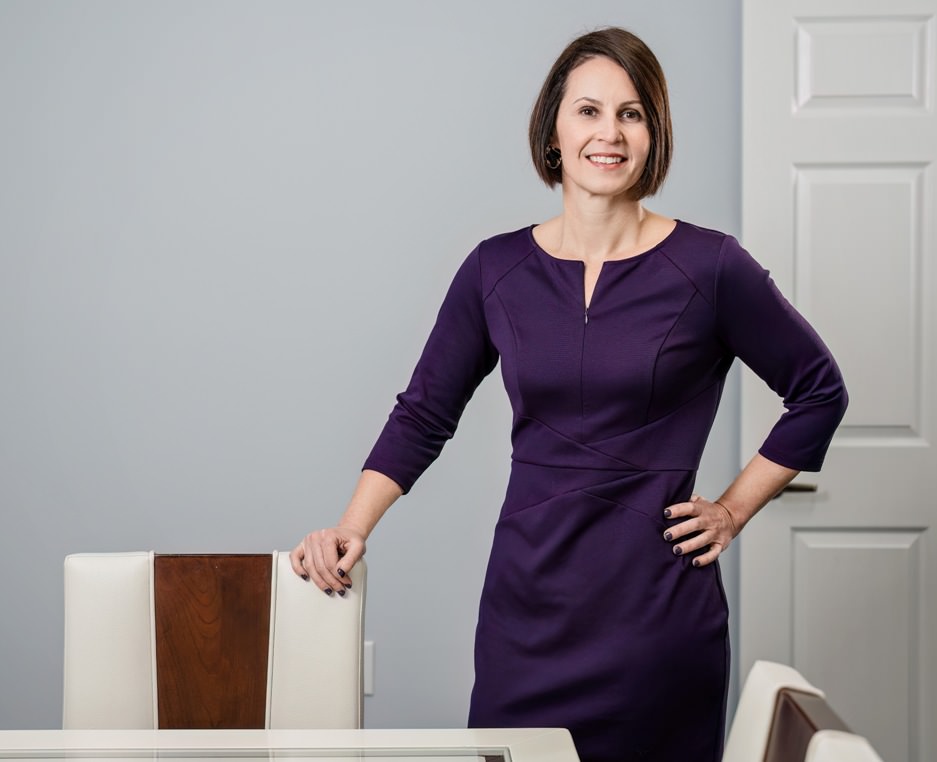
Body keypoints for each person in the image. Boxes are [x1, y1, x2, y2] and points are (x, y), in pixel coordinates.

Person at [291, 27, 847, 762]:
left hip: (658, 620)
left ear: (654, 134)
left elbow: (818, 390)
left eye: (631, 113)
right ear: (554, 128)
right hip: (527, 615)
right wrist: (351, 525)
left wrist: (733, 508)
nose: (608, 134)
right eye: (588, 111)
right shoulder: (495, 269)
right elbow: (425, 411)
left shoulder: (710, 266)